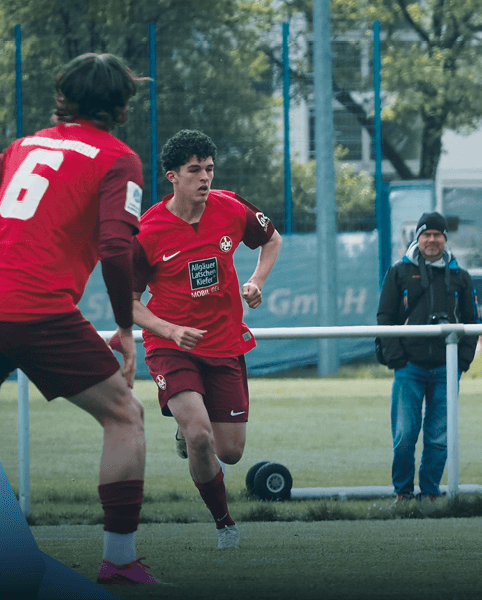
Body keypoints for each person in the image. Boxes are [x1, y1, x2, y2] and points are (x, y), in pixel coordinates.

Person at [0, 53, 164, 585]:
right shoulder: (118, 157)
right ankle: (119, 561)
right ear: (121, 104)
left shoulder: (20, 147)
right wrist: (124, 326)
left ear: (63, 96)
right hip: (38, 309)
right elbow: (118, 248)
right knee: (124, 415)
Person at [129, 129, 281, 549]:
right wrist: (169, 329)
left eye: (209, 169)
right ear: (172, 177)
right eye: (194, 170)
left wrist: (255, 281)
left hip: (225, 344)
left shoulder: (230, 208)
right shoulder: (147, 231)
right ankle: (225, 525)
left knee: (229, 452)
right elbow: (128, 303)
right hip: (171, 347)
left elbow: (271, 239)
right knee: (200, 437)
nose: (204, 177)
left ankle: (188, 429)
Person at [376, 212, 481, 510]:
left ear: (445, 239)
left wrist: (461, 361)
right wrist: (397, 359)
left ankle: (431, 492)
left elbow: (474, 322)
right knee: (406, 433)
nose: (432, 240)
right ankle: (403, 494)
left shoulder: (460, 276)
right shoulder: (399, 272)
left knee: (439, 435)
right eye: (426, 234)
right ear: (418, 238)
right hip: (409, 368)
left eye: (438, 234)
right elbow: (384, 318)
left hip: (447, 368)